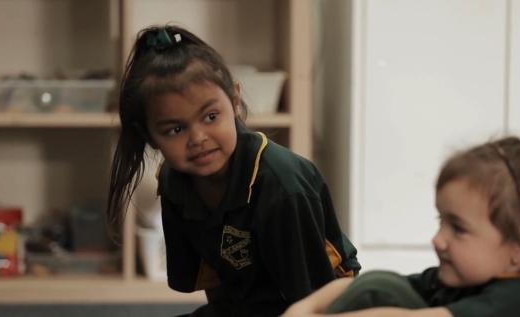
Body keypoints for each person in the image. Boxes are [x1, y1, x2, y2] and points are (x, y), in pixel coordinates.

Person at [105, 25, 360, 317]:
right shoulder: (174, 181)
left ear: (235, 100)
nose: (198, 138)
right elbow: (214, 286)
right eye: (176, 129)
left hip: (318, 306)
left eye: (211, 117)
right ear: (149, 136)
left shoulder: (283, 187)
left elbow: (313, 303)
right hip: (246, 304)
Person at [281, 136, 520, 317]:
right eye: (442, 221)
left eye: (458, 229)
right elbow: (379, 283)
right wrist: (304, 308)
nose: (438, 240)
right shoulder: (460, 279)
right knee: (380, 285)